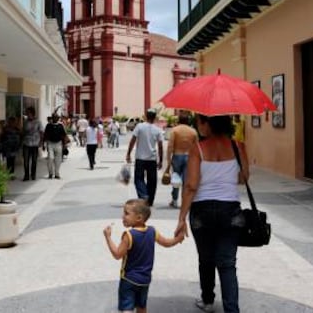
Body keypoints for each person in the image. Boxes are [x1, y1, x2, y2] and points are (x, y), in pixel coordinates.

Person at [174, 114, 249, 313]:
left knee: (206, 259)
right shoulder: (238, 146)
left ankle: (207, 300)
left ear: (207, 124)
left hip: (202, 209)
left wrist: (181, 218)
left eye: (199, 122)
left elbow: (191, 185)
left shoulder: (197, 149)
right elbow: (243, 177)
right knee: (227, 264)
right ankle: (232, 310)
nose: (198, 126)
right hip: (230, 209)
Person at [103, 198, 184, 313]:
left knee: (127, 308)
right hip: (145, 280)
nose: (123, 216)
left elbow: (117, 254)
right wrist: (178, 239)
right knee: (141, 307)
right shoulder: (152, 231)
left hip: (129, 279)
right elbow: (167, 243)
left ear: (139, 218)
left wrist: (108, 237)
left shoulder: (129, 235)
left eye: (126, 213)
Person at [126, 109, 163, 207]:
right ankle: (149, 201)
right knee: (152, 180)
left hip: (140, 158)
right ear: (155, 118)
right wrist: (161, 160)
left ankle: (143, 196)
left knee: (138, 179)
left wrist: (128, 153)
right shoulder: (157, 129)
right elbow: (160, 146)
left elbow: (133, 140)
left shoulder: (139, 126)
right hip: (152, 159)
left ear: (146, 117)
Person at [164, 112, 198, 208]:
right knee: (186, 181)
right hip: (189, 156)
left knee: (176, 179)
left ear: (179, 120)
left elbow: (170, 146)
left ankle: (174, 200)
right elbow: (197, 146)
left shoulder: (175, 130)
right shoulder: (193, 131)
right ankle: (185, 201)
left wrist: (168, 159)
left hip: (177, 156)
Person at [22, 106, 43, 181]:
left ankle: (33, 174)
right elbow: (23, 132)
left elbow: (41, 132)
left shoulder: (38, 122)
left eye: (28, 113)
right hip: (26, 143)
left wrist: (41, 142)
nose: (27, 114)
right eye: (27, 113)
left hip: (35, 144)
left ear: (32, 113)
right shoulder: (25, 122)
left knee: (34, 160)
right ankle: (26, 175)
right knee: (26, 160)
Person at [43, 114, 67, 179]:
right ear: (52, 118)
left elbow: (64, 135)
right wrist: (43, 144)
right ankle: (50, 173)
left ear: (58, 118)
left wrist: (64, 145)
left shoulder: (60, 125)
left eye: (56, 117)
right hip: (50, 144)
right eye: (54, 117)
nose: (55, 118)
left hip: (58, 144)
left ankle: (57, 174)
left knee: (58, 160)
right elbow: (45, 135)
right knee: (50, 158)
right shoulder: (48, 125)